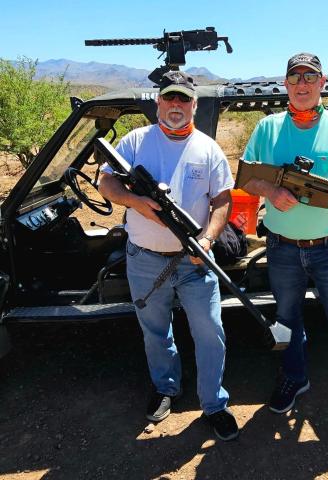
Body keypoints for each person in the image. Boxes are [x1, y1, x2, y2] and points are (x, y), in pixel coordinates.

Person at [241, 53, 328, 454]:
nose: (302, 84)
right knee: (287, 321)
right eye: (294, 77)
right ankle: (294, 376)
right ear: (285, 85)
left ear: (323, 83)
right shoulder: (268, 128)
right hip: (282, 248)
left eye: (310, 77)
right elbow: (247, 175)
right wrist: (271, 191)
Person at [98, 71, 239, 441]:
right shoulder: (136, 141)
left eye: (183, 99)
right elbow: (107, 181)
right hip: (144, 258)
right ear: (159, 102)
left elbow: (223, 201)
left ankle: (214, 404)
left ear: (194, 104)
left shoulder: (208, 149)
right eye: (169, 98)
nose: (176, 106)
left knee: (210, 332)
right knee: (155, 331)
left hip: (194, 261)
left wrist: (207, 240)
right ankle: (166, 388)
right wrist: (136, 202)